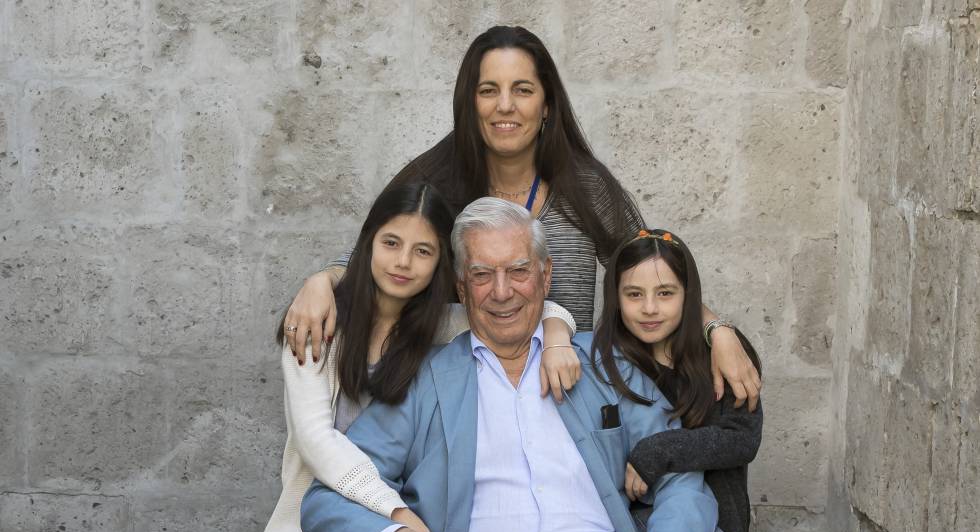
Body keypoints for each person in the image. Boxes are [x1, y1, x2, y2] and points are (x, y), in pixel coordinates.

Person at [301, 198, 718, 532]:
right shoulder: (424, 382)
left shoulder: (606, 368)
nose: (502, 292)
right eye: (482, 275)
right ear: (461, 286)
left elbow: (682, 478)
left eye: (518, 271)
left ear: (546, 276)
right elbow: (328, 498)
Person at [282, 25, 762, 409]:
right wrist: (321, 280)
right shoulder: (435, 181)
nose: (505, 106)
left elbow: (652, 271)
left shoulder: (587, 186)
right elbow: (382, 255)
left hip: (570, 395)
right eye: (488, 90)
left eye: (522, 90)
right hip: (464, 403)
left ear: (547, 104)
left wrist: (715, 330)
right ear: (470, 103)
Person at [220, 184, 576, 532]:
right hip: (324, 512)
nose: (403, 262)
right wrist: (320, 280)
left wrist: (556, 338)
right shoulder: (316, 323)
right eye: (391, 243)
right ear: (368, 242)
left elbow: (528, 306)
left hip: (414, 508)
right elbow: (315, 441)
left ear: (440, 267)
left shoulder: (442, 324)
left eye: (423, 251)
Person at [592, 228, 764, 532]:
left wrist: (658, 451)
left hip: (716, 513)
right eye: (634, 295)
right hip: (639, 510)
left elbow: (741, 440)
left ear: (689, 296)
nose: (649, 309)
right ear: (615, 298)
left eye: (666, 293)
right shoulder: (605, 359)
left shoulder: (722, 353)